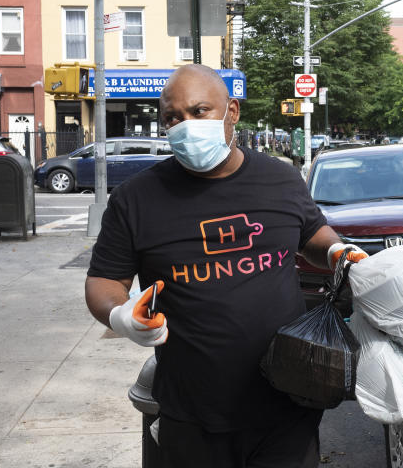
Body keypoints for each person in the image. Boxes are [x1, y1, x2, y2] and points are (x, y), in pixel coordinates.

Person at [84, 64, 365, 468]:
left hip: (287, 408)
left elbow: (313, 234)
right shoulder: (135, 199)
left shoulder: (280, 179)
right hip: (192, 416)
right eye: (173, 118)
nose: (185, 125)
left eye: (199, 112)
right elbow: (104, 280)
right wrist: (121, 315)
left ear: (231, 112)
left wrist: (338, 253)